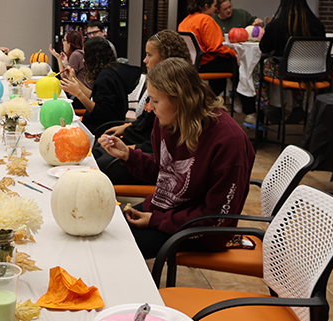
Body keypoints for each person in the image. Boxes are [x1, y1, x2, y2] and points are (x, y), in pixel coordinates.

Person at [99, 57, 255, 260]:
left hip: (202, 231)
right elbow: (165, 174)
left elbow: (216, 218)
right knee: (103, 232)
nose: (150, 108)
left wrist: (155, 220)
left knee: (115, 251)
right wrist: (129, 156)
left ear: (181, 99)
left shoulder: (229, 141)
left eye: (155, 101)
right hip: (168, 211)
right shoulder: (166, 121)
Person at [94, 30, 191, 185]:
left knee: (97, 165)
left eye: (149, 55)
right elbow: (145, 124)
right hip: (138, 147)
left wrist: (131, 150)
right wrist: (126, 127)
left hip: (146, 156)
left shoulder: (174, 97)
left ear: (166, 59)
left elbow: (162, 145)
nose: (145, 60)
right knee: (95, 152)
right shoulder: (155, 86)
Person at [258, 0, 326, 123]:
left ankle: (265, 105)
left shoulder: (277, 25)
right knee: (297, 69)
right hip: (314, 72)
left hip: (285, 72)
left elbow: (264, 48)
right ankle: (297, 106)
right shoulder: (318, 25)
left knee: (259, 68)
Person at [61, 36, 142, 134]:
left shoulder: (106, 78)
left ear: (93, 57)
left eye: (85, 56)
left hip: (100, 130)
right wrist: (74, 79)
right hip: (104, 125)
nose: (83, 61)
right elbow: (93, 96)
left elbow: (100, 113)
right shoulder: (110, 71)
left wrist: (78, 94)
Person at [178, 0, 238, 97]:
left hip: (191, 62)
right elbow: (216, 47)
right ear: (206, 6)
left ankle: (209, 99)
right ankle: (246, 105)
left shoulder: (186, 20)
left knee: (222, 71)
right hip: (204, 62)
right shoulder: (206, 20)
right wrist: (234, 54)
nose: (216, 9)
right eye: (215, 6)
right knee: (235, 64)